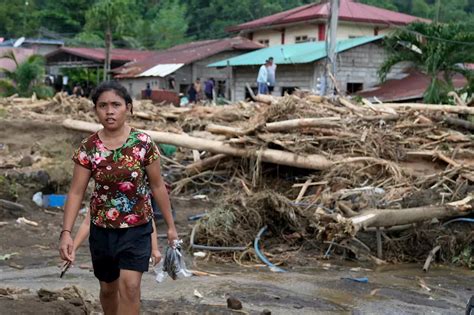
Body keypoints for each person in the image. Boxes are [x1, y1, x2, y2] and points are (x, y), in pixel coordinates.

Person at [59, 80, 178, 315]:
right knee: (108, 288)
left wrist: (171, 227)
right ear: (95, 110)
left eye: (116, 104)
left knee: (131, 287)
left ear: (129, 108)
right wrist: (66, 233)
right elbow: (76, 192)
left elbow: (157, 186)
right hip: (101, 229)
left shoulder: (143, 144)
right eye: (103, 105)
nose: (109, 111)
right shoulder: (88, 148)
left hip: (137, 228)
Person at [73, 209, 162, 266]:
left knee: (130, 285)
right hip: (107, 242)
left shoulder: (138, 194)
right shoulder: (102, 195)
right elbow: (87, 223)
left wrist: (155, 249)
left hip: (133, 241)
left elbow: (148, 219)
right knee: (109, 290)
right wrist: (72, 250)